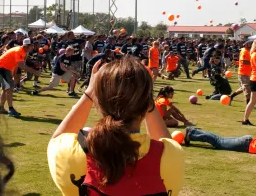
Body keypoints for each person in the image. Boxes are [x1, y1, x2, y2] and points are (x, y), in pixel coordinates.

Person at [47, 57, 185, 195]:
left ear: (98, 102)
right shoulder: (169, 156)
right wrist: (147, 99)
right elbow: (166, 145)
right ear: (146, 104)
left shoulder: (71, 153)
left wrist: (89, 94)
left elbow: (58, 138)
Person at [0, 38, 40, 117]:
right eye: (32, 45)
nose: (33, 47)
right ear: (26, 46)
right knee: (9, 89)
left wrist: (13, 75)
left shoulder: (23, 52)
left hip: (5, 68)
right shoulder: (19, 51)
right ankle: (11, 109)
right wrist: (34, 72)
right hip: (1, 67)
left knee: (6, 89)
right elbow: (21, 66)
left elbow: (16, 64)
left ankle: (1, 108)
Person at [230, 40, 252, 104]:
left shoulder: (247, 51)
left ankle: (231, 97)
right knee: (247, 90)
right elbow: (243, 61)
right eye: (250, 43)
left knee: (243, 88)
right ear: (246, 44)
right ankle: (248, 104)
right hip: (243, 73)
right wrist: (253, 63)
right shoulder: (244, 51)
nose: (251, 44)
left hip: (246, 72)